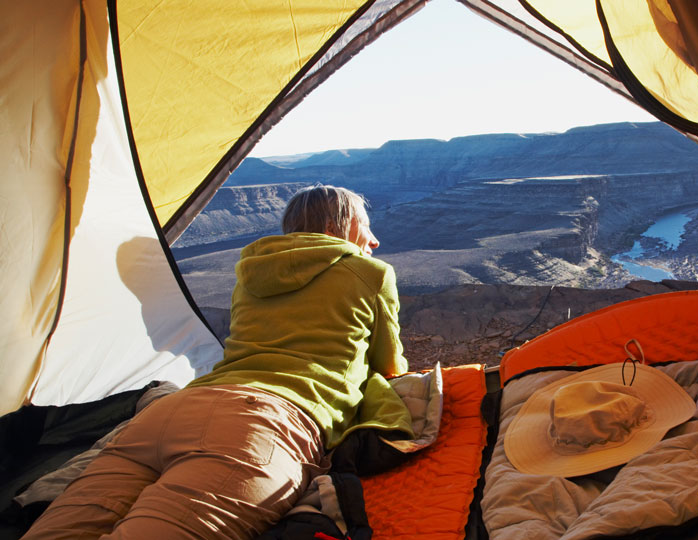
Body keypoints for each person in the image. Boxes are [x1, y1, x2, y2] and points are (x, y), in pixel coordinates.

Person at [23, 184, 411, 539]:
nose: (374, 241)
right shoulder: (370, 272)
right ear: (335, 225)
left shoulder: (250, 271)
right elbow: (390, 362)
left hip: (164, 417)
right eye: (366, 227)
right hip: (260, 425)